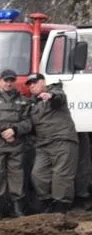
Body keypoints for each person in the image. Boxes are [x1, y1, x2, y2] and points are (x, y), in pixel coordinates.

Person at [0, 70, 33, 219]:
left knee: (17, 175)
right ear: (0, 81)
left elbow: (28, 122)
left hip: (16, 143)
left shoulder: (23, 100)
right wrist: (3, 132)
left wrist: (14, 130)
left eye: (11, 81)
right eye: (5, 80)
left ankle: (17, 208)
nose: (8, 83)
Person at [28, 73, 79, 213]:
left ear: (43, 82)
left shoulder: (55, 92)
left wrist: (50, 96)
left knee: (61, 176)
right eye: (30, 84)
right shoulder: (31, 103)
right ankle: (47, 202)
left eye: (35, 82)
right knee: (38, 174)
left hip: (62, 140)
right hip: (42, 144)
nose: (32, 85)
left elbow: (58, 98)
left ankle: (60, 209)